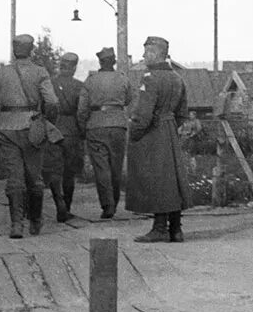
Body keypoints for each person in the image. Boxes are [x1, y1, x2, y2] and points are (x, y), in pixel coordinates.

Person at [0, 33, 58, 238]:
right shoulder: (40, 73)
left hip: (7, 129)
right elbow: (52, 102)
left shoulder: (1, 74)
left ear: (15, 50)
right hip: (33, 127)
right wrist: (47, 123)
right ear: (31, 50)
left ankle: (16, 225)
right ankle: (35, 221)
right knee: (35, 177)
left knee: (14, 178)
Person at [126, 35, 192, 242]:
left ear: (156, 54)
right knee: (171, 180)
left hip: (153, 132)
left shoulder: (150, 78)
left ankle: (160, 228)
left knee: (157, 181)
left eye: (146, 51)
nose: (144, 55)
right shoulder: (177, 78)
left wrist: (134, 133)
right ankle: (176, 229)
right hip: (170, 130)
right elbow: (182, 112)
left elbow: (143, 114)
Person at [78, 47, 132, 219]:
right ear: (114, 61)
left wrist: (82, 126)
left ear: (100, 62)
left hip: (96, 125)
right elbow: (128, 99)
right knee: (116, 166)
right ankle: (114, 202)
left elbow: (82, 109)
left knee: (101, 168)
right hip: (118, 125)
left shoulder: (90, 80)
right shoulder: (123, 79)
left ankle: (107, 205)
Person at [42, 52, 85, 223]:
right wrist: (83, 132)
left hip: (53, 129)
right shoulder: (79, 86)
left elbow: (45, 106)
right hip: (72, 131)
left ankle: (58, 202)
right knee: (69, 172)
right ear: (74, 67)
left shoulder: (50, 83)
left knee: (54, 170)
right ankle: (66, 207)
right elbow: (81, 111)